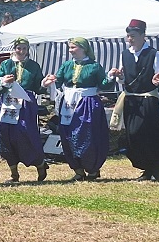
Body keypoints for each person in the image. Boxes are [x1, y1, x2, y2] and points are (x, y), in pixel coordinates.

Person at [107, 19, 159, 181]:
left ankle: (157, 165)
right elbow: (123, 79)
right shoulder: (125, 54)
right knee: (133, 134)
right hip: (131, 100)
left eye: (133, 36)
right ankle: (147, 167)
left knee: (149, 133)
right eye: (128, 36)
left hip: (148, 99)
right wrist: (119, 76)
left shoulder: (153, 53)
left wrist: (158, 80)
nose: (130, 39)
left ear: (143, 35)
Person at [41, 38, 111, 181]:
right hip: (68, 104)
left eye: (73, 47)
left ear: (83, 48)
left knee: (87, 136)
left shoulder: (94, 66)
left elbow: (104, 85)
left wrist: (111, 77)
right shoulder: (66, 65)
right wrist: (49, 82)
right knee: (67, 135)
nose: (70, 50)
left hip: (87, 103)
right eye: (70, 47)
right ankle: (78, 170)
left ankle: (92, 168)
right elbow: (58, 81)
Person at [0, 37, 48, 182]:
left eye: (24, 48)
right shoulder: (6, 64)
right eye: (19, 48)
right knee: (7, 135)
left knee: (26, 133)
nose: (22, 51)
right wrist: (4, 82)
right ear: (14, 49)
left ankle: (39, 163)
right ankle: (14, 173)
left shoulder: (34, 66)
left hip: (26, 104)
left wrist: (44, 84)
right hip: (8, 103)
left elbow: (38, 87)